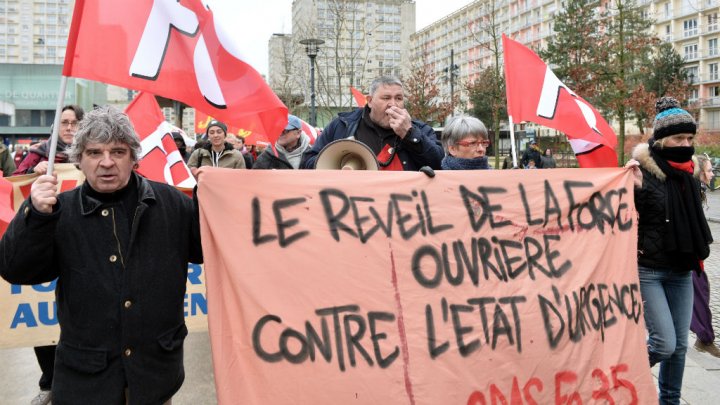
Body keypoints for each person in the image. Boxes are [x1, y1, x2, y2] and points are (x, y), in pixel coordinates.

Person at [0, 106, 203, 404]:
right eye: (95, 153)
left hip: (154, 374)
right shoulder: (58, 210)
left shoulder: (170, 202)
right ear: (79, 160)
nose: (106, 163)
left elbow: (202, 251)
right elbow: (17, 270)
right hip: (87, 380)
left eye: (118, 152)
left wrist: (208, 199)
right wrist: (35, 218)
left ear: (134, 158)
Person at [627, 97, 713, 404]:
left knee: (678, 346)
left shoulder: (688, 176)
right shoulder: (639, 173)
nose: (685, 144)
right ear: (661, 140)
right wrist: (628, 186)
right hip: (649, 270)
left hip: (682, 270)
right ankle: (618, 375)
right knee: (663, 344)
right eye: (678, 138)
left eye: (689, 138)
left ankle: (670, 401)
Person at [301, 76, 443, 171]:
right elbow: (307, 162)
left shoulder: (420, 129)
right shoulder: (341, 125)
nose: (393, 104)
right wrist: (336, 162)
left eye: (398, 98)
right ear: (369, 101)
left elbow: (439, 164)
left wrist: (411, 135)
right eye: (386, 98)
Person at [690, 153, 720, 357]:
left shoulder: (697, 191)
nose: (712, 175)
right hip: (688, 258)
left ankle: (705, 337)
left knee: (701, 292)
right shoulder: (692, 191)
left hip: (693, 257)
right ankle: (705, 338)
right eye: (709, 171)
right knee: (699, 294)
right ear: (700, 173)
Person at [13, 105, 85, 175]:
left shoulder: (89, 152)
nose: (69, 128)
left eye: (75, 123)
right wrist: (33, 171)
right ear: (55, 126)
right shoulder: (39, 151)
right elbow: (16, 179)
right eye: (64, 122)